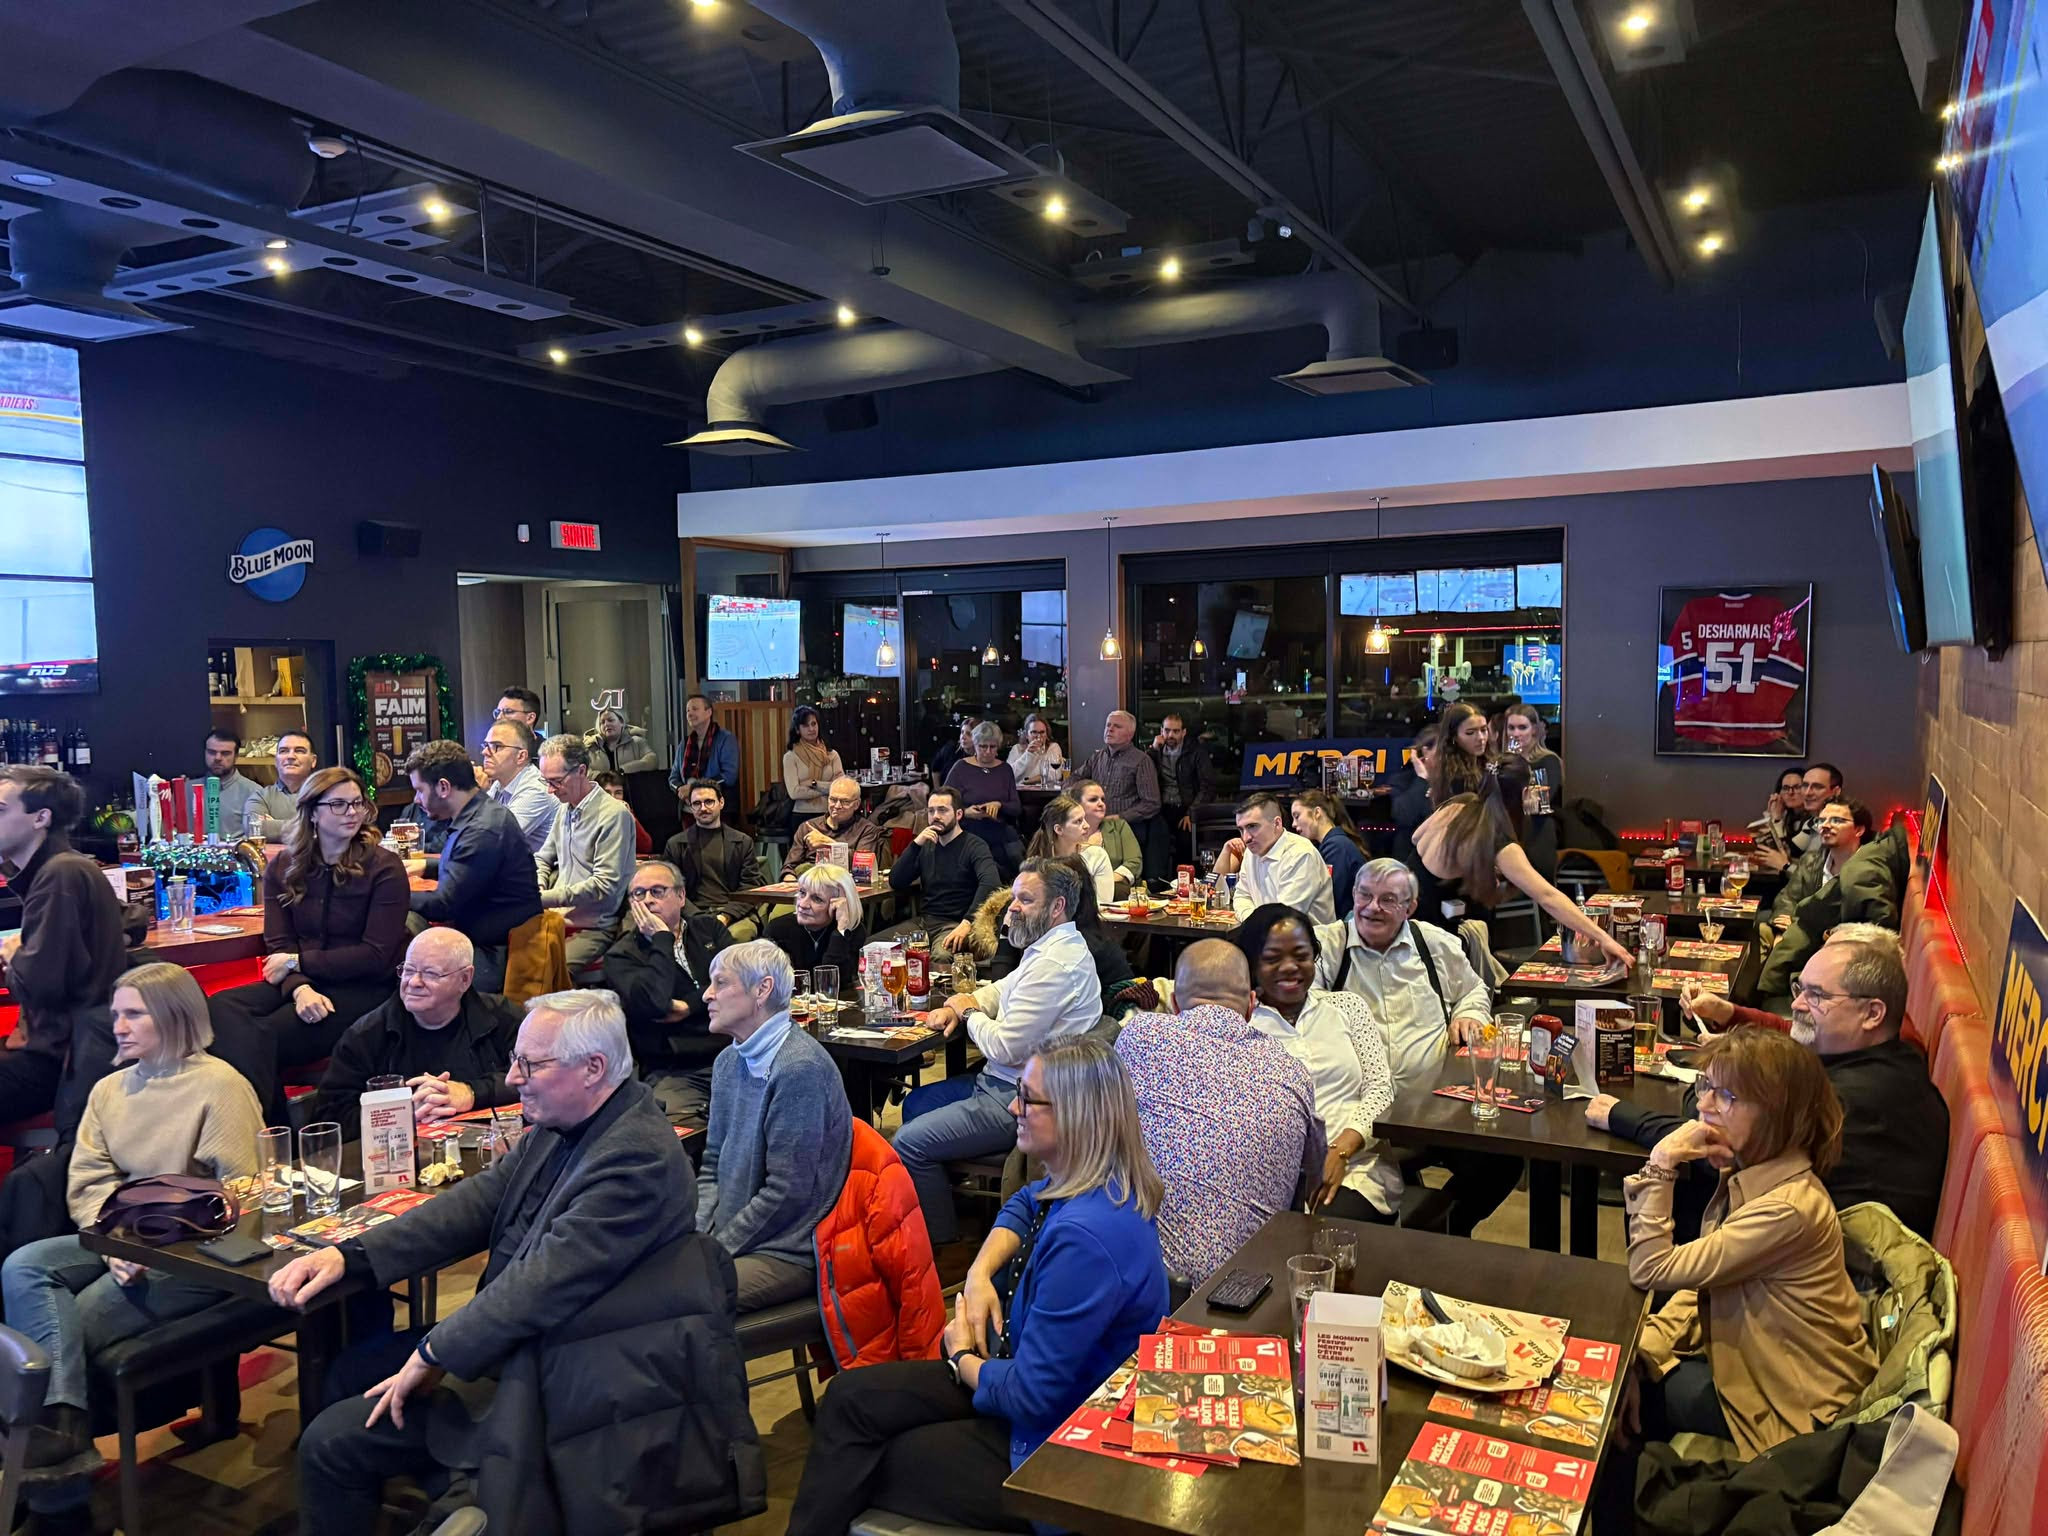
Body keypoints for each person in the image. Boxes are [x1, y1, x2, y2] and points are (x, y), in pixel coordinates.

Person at [281, 990, 751, 1536]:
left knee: (328, 1445)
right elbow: (475, 1203)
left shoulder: (635, 1155)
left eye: (530, 1064)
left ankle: (474, 1496)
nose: (512, 1078)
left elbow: (538, 1286)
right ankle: (454, 1492)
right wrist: (352, 1254)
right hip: (523, 1343)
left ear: (593, 1068)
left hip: (559, 1370)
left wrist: (434, 1352)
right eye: (515, 1061)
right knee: (349, 1373)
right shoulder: (569, 1121)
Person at [787, 1036, 1167, 1536]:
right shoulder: (1093, 1184)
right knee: (847, 1400)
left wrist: (963, 1354)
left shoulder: (1085, 1240)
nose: (1013, 1107)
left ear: (1076, 1116)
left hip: (1054, 1450)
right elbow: (1027, 1202)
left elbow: (1032, 1397)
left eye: (1027, 1099)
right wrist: (979, 1273)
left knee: (864, 1458)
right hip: (1027, 1386)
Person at [1, 965, 262, 1473]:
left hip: (196, 1253)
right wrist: (115, 1244)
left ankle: (60, 1485)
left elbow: (245, 1196)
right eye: (116, 1014)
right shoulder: (110, 1090)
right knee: (23, 1265)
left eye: (134, 1015)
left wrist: (143, 1246)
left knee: (63, 1333)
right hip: (122, 1236)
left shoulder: (221, 1087)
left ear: (173, 1016)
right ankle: (63, 1438)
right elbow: (89, 1181)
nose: (117, 1027)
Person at [1598, 927, 1948, 1240]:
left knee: (1669, 1186)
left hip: (1820, 1267)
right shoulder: (1883, 1057)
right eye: (1800, 989)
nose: (1796, 1004)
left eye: (1816, 995)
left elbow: (1717, 1144)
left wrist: (1618, 1115)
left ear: (1872, 1014)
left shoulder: (1850, 1098)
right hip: (1803, 1234)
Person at [1623, 1029, 1875, 1459]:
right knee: (1624, 1369)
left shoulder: (1786, 1209)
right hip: (1760, 1369)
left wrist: (1661, 1164)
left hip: (1800, 1409)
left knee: (1613, 1397)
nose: (1703, 1105)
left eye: (1725, 1096)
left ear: (1777, 1113)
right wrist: (1642, 1349)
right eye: (1705, 1086)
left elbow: (1650, 1269)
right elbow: (1702, 1286)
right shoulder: (1759, 1177)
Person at [897, 860, 1101, 1244]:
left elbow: (1005, 1047)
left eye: (1026, 900)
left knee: (908, 1143)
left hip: (1021, 1099)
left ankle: (940, 1247)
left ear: (1057, 907)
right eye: (1014, 898)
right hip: (1002, 1082)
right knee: (915, 1105)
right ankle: (953, 1203)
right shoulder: (1051, 948)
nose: (1013, 908)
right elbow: (1004, 987)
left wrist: (968, 1014)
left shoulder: (1055, 965)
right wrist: (966, 1001)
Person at [1313, 860, 1523, 1233]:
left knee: (1503, 1160)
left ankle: (1440, 1227)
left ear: (1409, 907)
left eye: (1388, 899)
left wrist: (1469, 1014)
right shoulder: (1327, 946)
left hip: (1435, 1111)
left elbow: (1474, 989)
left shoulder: (1433, 944)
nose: (1372, 908)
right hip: (1358, 1118)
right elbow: (1302, 1008)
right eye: (1365, 895)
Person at [1116, 940, 1323, 1287]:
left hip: (1143, 1285)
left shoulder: (1139, 1036)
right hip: (1252, 1292)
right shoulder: (1293, 1072)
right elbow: (1313, 1175)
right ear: (1251, 1005)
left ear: (1176, 1003)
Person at [205, 767, 409, 1117]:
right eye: (339, 805)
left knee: (262, 1035)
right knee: (221, 1008)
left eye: (357, 803)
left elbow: (375, 955)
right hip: (303, 980)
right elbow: (279, 942)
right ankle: (270, 1127)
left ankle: (270, 1131)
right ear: (312, 812)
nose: (352, 813)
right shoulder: (285, 865)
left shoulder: (384, 867)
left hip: (365, 986)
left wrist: (298, 964)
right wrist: (299, 987)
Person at [698, 941, 852, 1309]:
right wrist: (694, 1235)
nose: (707, 995)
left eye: (721, 983)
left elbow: (786, 1194)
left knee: (680, 1298)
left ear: (762, 990)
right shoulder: (727, 1063)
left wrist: (713, 1250)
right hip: (736, 1235)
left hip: (788, 1248)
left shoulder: (799, 1069)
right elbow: (712, 1164)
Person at [1230, 905, 1394, 1223]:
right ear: (1251, 965)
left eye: (1301, 955)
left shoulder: (1347, 1007)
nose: (1290, 967)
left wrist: (1340, 1150)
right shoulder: (1242, 1024)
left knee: (1323, 1231)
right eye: (1272, 958)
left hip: (1356, 1169)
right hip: (1270, 1179)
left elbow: (1381, 1089)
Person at [0, 767, 128, 1136]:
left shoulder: (60, 875)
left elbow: (40, 985)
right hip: (58, 1048)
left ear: (41, 818)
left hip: (59, 1060)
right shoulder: (62, 869)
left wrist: (15, 954)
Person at [1414, 758, 1632, 966]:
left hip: (1410, 908)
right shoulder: (1499, 841)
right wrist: (1604, 938)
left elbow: (1416, 838)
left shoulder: (1459, 804)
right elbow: (1548, 897)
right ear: (1526, 793)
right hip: (1431, 932)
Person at [306, 928, 520, 1129]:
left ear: (464, 979)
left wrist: (472, 1093)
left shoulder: (503, 1018)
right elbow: (329, 1119)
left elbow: (534, 1079)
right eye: (408, 971)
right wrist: (401, 1112)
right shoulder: (365, 1036)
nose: (414, 982)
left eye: (430, 973)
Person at [597, 860, 733, 1128]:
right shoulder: (621, 956)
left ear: (681, 896)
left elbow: (739, 983)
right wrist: (661, 938)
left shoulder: (709, 929)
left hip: (733, 1052)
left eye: (657, 891)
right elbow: (656, 1005)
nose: (647, 900)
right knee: (673, 1131)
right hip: (676, 1069)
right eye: (638, 894)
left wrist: (689, 1005)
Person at [404, 740, 543, 994]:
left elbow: (444, 905)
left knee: (407, 972)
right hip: (486, 939)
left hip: (494, 954)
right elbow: (471, 865)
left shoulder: (482, 829)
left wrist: (389, 893)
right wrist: (426, 865)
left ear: (443, 787)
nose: (416, 799)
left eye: (420, 790)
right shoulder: (478, 813)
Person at [533, 733, 634, 970]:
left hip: (594, 927)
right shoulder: (565, 808)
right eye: (546, 781)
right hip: (556, 918)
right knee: (511, 957)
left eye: (556, 781)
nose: (550, 791)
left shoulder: (613, 814)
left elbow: (604, 885)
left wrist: (544, 899)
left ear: (581, 771)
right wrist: (538, 886)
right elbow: (543, 858)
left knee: (547, 971)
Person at [884, 787, 1001, 958]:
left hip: (956, 924)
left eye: (942, 810)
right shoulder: (926, 845)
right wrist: (915, 844)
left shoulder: (975, 846)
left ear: (958, 814)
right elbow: (896, 881)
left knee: (941, 956)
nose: (935, 816)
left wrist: (967, 922)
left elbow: (991, 883)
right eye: (931, 811)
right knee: (873, 947)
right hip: (924, 923)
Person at [663, 779, 765, 940]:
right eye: (697, 803)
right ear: (690, 807)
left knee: (735, 938)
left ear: (721, 802)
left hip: (734, 914)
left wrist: (725, 916)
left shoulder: (743, 842)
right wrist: (699, 918)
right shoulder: (675, 844)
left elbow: (750, 887)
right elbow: (672, 889)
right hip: (691, 915)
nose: (703, 808)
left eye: (709, 802)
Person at [1218, 792, 1337, 925]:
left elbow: (1285, 919)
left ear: (1277, 823)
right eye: (1241, 829)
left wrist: (1254, 923)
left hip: (1308, 937)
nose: (1246, 838)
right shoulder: (1251, 853)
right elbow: (1242, 896)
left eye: (1252, 827)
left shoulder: (1301, 854)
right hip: (1264, 933)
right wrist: (1253, 921)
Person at [1072, 711, 1162, 877]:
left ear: (1130, 734)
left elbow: (1152, 803)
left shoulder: (1141, 761)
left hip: (1126, 827)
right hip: (1094, 825)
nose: (1110, 729)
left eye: (1117, 726)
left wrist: (1120, 817)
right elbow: (1075, 778)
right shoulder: (1098, 757)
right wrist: (1071, 798)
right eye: (1108, 725)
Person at [1770, 795, 1870, 931]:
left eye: (1836, 820)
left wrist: (1799, 924)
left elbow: (1865, 922)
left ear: (1859, 830)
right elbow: (1787, 899)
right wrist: (1783, 926)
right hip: (1801, 933)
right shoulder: (1811, 860)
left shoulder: (1870, 869)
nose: (1825, 825)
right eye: (1821, 820)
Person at [944, 721, 1023, 875]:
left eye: (992, 747)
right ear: (975, 745)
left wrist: (999, 804)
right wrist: (965, 812)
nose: (987, 751)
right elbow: (944, 804)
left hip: (999, 829)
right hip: (969, 829)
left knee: (1016, 859)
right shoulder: (961, 767)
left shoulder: (1005, 769)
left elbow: (1016, 807)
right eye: (982, 747)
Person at [766, 863, 869, 978]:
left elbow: (835, 981)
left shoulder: (852, 931)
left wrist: (840, 933)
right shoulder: (777, 930)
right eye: (802, 893)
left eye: (817, 899)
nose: (802, 904)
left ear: (838, 904)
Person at [1501, 704, 1563, 879]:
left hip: (1537, 829)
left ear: (1534, 730)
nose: (1516, 733)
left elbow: (1540, 800)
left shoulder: (1548, 760)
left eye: (1522, 727)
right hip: (1506, 828)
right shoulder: (1502, 762)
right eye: (1511, 728)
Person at [479, 717, 557, 855]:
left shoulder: (535, 790)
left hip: (540, 868)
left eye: (496, 746)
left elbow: (490, 843)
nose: (485, 752)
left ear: (521, 756)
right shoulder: (499, 783)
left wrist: (475, 794)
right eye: (486, 745)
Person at [1149, 711, 1216, 871]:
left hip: (1186, 807)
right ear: (1161, 731)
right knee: (1153, 840)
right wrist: (1153, 749)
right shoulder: (1156, 751)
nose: (1170, 735)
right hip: (1161, 808)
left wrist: (1191, 812)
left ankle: (1186, 880)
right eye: (1167, 730)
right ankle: (1157, 881)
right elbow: (1145, 775)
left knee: (1185, 842)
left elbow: (1208, 786)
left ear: (1183, 732)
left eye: (1176, 731)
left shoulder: (1196, 752)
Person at [1291, 788, 1367, 923]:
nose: (1293, 824)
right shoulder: (1334, 844)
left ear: (1317, 813)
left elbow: (1330, 900)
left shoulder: (1336, 847)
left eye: (1297, 816)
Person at [788, 775, 888, 876]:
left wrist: (828, 844)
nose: (837, 806)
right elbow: (789, 868)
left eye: (845, 802)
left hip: (848, 882)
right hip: (809, 881)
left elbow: (863, 865)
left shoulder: (866, 829)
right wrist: (790, 880)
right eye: (833, 799)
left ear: (857, 804)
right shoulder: (807, 827)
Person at [1026, 794, 1114, 905]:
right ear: (1059, 829)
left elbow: (1103, 904)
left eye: (1084, 819)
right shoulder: (1038, 860)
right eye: (1078, 821)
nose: (1086, 825)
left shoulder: (1097, 856)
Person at [1756, 762, 1844, 872]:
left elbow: (1817, 877)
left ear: (1835, 792)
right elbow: (1788, 854)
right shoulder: (1812, 822)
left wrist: (1785, 866)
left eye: (1817, 787)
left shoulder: (1837, 826)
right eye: (1805, 786)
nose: (1807, 793)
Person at [1072, 778, 1144, 894]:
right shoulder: (1068, 832)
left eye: (1103, 799)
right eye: (1093, 800)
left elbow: (1134, 862)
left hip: (1121, 892)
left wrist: (1105, 882)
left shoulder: (1118, 826)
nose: (1101, 804)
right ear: (1077, 804)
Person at [247, 729, 318, 840]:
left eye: (299, 751)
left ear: (313, 761)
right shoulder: (260, 797)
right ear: (276, 760)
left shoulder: (325, 795)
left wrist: (272, 826)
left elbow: (331, 829)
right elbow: (253, 829)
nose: (291, 756)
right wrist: (309, 826)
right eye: (284, 751)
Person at [669, 692, 739, 801]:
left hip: (716, 804)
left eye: (695, 709)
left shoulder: (725, 739)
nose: (690, 714)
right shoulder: (684, 743)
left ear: (709, 712)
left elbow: (729, 776)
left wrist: (696, 788)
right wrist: (679, 789)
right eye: (688, 711)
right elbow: (673, 777)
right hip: (687, 805)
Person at [1388, 725, 1438, 871]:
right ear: (1425, 752)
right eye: (1443, 750)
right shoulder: (1402, 781)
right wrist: (1422, 780)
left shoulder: (1458, 781)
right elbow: (1403, 816)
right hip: (1412, 862)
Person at [783, 705, 844, 819]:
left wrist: (813, 784)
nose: (811, 729)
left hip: (829, 813)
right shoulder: (790, 757)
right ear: (797, 730)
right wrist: (826, 790)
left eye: (814, 724)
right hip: (802, 815)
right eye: (806, 725)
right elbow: (794, 792)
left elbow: (840, 787)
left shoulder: (832, 755)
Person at [200, 729, 261, 839]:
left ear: (236, 756)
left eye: (225, 753)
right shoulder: (185, 791)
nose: (217, 758)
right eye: (212, 752)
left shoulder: (255, 793)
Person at [1430, 702, 1492, 808]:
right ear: (1454, 737)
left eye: (1483, 730)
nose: (1480, 738)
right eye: (1470, 733)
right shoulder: (1455, 779)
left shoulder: (1488, 763)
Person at [1750, 766, 1808, 861]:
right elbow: (1766, 849)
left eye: (1797, 787)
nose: (1790, 792)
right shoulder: (1786, 815)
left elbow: (1786, 855)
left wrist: (1777, 819)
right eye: (1785, 788)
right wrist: (1770, 815)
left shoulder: (1812, 821)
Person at [585, 706, 658, 776]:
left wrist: (624, 770)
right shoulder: (591, 748)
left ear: (621, 722)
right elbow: (584, 771)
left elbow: (652, 760)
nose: (606, 724)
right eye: (602, 722)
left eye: (610, 720)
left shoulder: (637, 742)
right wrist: (602, 777)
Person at [594, 770, 654, 856]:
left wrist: (631, 819)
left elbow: (646, 847)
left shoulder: (626, 812)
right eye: (607, 793)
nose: (613, 798)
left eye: (618, 793)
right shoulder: (591, 815)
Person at [1006, 713, 1064, 786]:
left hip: (1046, 791)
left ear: (1047, 734)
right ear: (1027, 735)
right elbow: (1008, 774)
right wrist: (1028, 754)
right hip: (1020, 792)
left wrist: (1030, 780)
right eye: (1034, 732)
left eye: (1042, 732)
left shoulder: (1053, 747)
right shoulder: (1017, 749)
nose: (1038, 736)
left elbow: (1056, 774)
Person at [931, 715, 978, 785]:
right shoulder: (950, 748)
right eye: (962, 732)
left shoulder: (983, 755)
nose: (963, 737)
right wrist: (938, 790)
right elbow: (935, 769)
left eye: (968, 734)